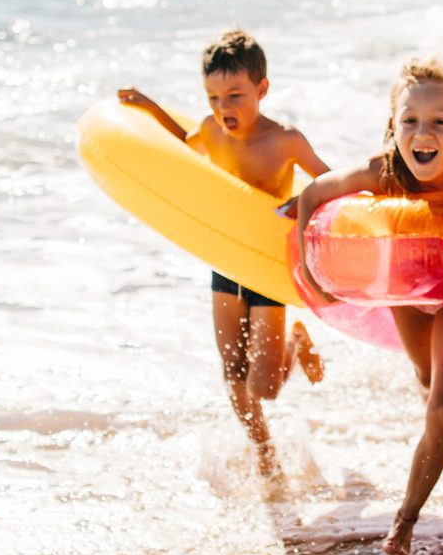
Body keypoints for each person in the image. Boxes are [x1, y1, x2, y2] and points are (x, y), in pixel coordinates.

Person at [290, 56, 443, 555]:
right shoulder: (381, 172)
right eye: (409, 120)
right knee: (428, 381)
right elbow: (312, 196)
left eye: (439, 122)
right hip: (408, 292)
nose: (422, 133)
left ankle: (404, 522)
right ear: (394, 124)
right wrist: (310, 271)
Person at [119, 28, 327, 473]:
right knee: (232, 369)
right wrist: (149, 107)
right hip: (227, 259)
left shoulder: (285, 140)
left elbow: (328, 183)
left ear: (262, 89)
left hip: (267, 262)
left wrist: (305, 206)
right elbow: (180, 147)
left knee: (265, 386)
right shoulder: (212, 130)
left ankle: (296, 340)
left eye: (234, 95)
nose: (223, 108)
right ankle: (265, 452)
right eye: (213, 97)